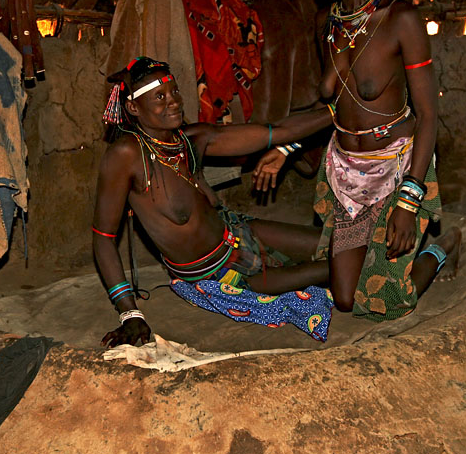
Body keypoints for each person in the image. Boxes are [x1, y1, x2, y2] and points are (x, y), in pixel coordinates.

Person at [252, 0, 461, 320]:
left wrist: (409, 200)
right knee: (346, 299)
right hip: (345, 174)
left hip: (396, 168)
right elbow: (335, 106)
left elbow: (427, 115)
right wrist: (288, 147)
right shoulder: (326, 24)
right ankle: (370, 247)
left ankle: (442, 247)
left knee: (387, 303)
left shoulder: (402, 20)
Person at [93, 57, 333, 348]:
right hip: (218, 274)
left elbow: (276, 132)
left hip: (239, 233)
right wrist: (129, 313)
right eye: (160, 97)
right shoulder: (127, 156)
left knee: (338, 245)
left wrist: (339, 111)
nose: (174, 102)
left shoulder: (191, 140)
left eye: (175, 92)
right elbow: (104, 238)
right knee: (340, 266)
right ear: (133, 108)